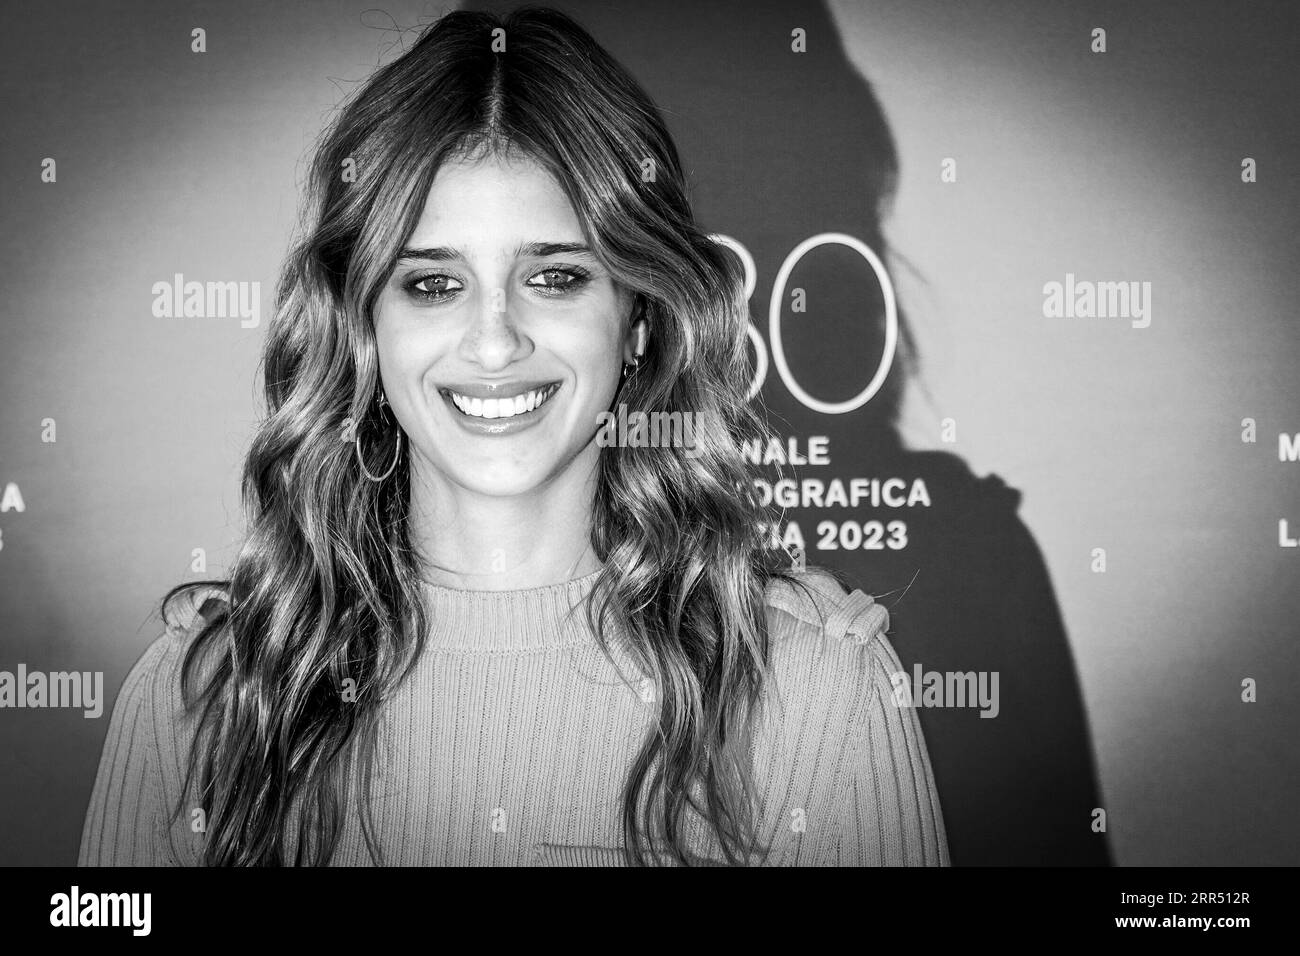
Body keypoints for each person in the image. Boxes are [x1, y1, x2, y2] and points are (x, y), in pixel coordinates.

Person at [78, 5, 948, 866]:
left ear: (638, 316)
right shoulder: (202, 699)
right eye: (431, 285)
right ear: (362, 324)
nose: (495, 341)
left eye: (557, 276)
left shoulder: (815, 691)